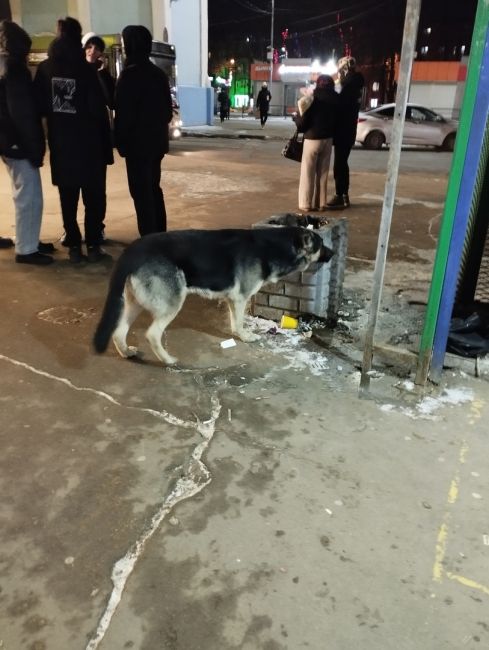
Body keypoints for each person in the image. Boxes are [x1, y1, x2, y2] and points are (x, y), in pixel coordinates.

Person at [34, 17, 113, 263]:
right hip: (89, 145)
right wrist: (106, 148)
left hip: (61, 143)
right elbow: (98, 109)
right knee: (93, 197)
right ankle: (93, 245)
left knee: (68, 197)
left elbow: (39, 106)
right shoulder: (85, 70)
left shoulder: (45, 69)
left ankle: (74, 247)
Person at [0, 20, 53, 265]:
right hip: (18, 143)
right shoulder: (15, 69)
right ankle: (27, 248)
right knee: (29, 196)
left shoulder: (5, 66)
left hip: (9, 141)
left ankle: (28, 239)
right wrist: (34, 148)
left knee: (25, 193)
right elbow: (22, 113)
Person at [114, 25, 173, 236]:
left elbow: (123, 117)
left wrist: (120, 142)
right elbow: (168, 113)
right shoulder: (158, 74)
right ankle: (160, 235)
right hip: (156, 145)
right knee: (154, 189)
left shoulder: (128, 76)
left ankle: (149, 240)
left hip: (137, 146)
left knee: (141, 193)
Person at [83, 33, 115, 243]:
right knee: (79, 189)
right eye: (89, 46)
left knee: (98, 190)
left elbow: (111, 101)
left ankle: (97, 228)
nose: (92, 51)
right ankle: (76, 230)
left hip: (99, 141)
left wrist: (102, 75)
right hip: (80, 142)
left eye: (97, 48)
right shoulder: (74, 72)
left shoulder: (104, 76)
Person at [293, 74, 339, 212]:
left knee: (308, 172)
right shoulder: (337, 99)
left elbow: (302, 124)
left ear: (318, 84)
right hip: (328, 139)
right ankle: (321, 203)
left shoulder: (312, 98)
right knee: (323, 173)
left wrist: (295, 118)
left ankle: (306, 204)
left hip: (312, 139)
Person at [327, 56, 365, 210]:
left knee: (339, 164)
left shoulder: (348, 86)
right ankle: (344, 196)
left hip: (344, 130)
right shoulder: (355, 84)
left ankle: (339, 195)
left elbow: (338, 105)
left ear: (344, 69)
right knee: (343, 163)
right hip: (349, 130)